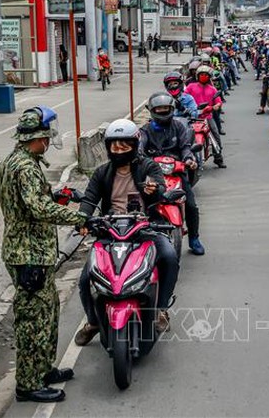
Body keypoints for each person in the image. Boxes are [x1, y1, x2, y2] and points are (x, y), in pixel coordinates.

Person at [0, 107, 90, 403]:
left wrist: (59, 194)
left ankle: (43, 369)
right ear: (36, 137)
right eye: (46, 137)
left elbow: (29, 201)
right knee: (33, 321)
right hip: (29, 255)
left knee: (48, 313)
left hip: (32, 252)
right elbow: (39, 209)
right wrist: (80, 218)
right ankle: (27, 384)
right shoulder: (25, 168)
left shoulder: (14, 162)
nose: (48, 141)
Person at [74, 119, 180, 344]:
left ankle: (160, 309)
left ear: (134, 145)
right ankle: (94, 321)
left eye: (125, 146)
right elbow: (90, 198)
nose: (119, 151)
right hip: (110, 231)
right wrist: (83, 219)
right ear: (108, 147)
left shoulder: (148, 166)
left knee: (169, 256)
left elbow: (160, 188)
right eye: (115, 147)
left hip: (145, 228)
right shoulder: (102, 172)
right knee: (85, 278)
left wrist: (155, 191)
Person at [139, 92, 207, 255]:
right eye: (159, 109)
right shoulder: (145, 130)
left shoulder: (179, 127)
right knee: (141, 203)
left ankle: (194, 238)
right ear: (152, 111)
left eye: (166, 109)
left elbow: (185, 147)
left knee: (191, 205)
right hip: (153, 173)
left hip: (176, 171)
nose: (163, 112)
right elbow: (140, 148)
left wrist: (189, 159)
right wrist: (141, 159)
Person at [185, 66, 227, 168]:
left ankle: (218, 158)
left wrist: (214, 107)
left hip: (207, 117)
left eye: (206, 75)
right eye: (201, 75)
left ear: (209, 77)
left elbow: (218, 102)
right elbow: (184, 98)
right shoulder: (190, 87)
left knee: (215, 135)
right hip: (192, 117)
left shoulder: (212, 89)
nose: (203, 77)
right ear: (197, 76)